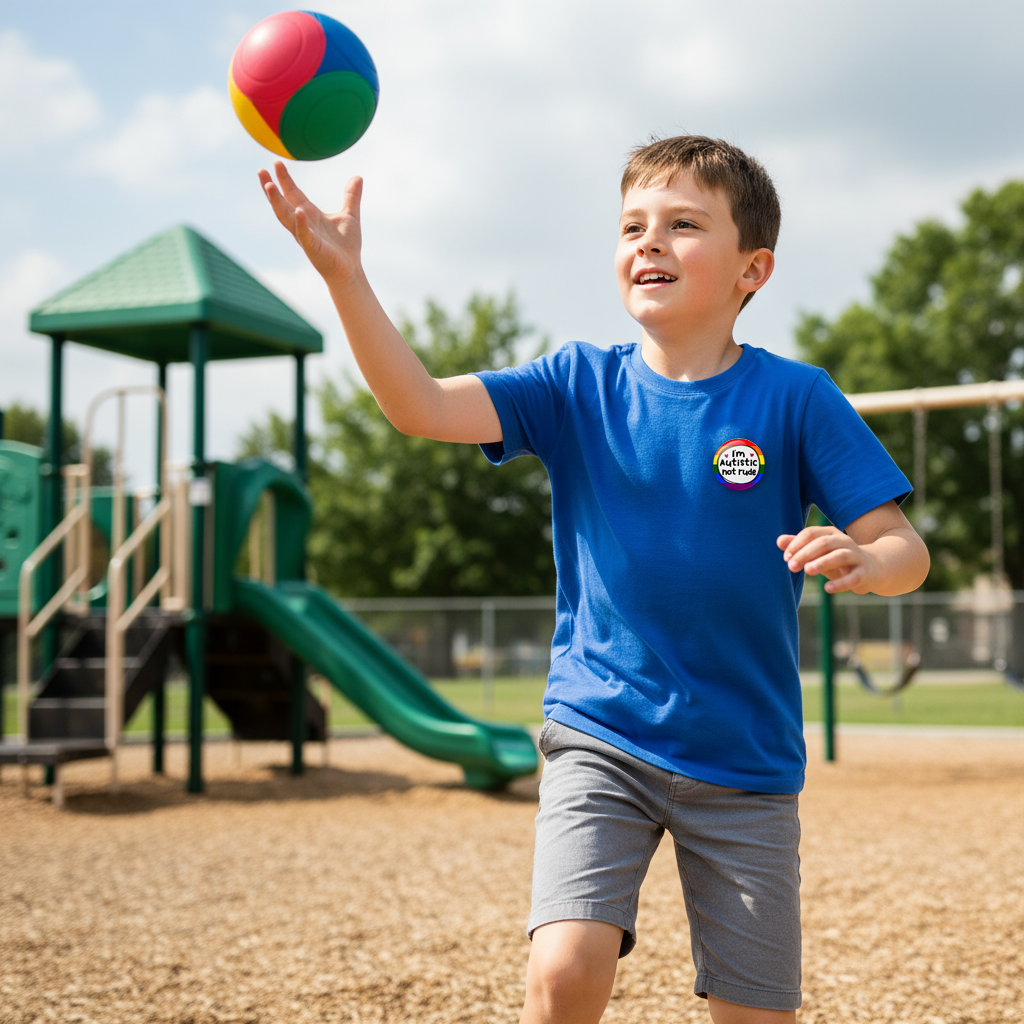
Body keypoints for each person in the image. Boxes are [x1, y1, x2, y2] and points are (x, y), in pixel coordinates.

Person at [259, 135, 930, 1024]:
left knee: (754, 1014)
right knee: (564, 971)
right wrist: (346, 275)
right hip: (600, 731)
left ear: (752, 269)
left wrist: (866, 558)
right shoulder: (575, 386)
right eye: (632, 226)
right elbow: (416, 405)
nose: (648, 242)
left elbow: (907, 551)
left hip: (746, 760)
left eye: (684, 224)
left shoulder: (798, 399)